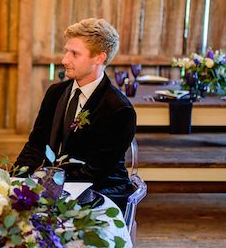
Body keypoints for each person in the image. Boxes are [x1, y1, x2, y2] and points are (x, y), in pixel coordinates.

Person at [16, 18, 136, 212]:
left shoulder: (119, 110)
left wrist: (48, 190)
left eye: (74, 54)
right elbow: (36, 144)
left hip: (99, 193)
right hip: (53, 187)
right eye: (66, 51)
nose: (64, 60)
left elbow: (96, 171)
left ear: (99, 58)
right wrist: (17, 178)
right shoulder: (55, 93)